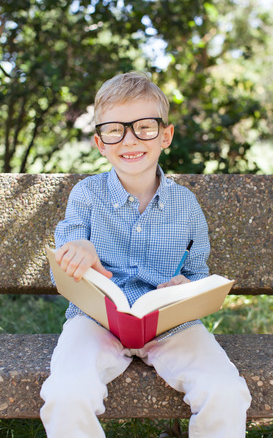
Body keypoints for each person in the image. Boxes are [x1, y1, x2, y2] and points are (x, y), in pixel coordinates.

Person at [40, 72, 251, 437]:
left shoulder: (186, 206)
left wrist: (187, 286)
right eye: (114, 130)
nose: (129, 140)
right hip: (95, 321)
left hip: (170, 323)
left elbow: (198, 273)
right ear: (99, 142)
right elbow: (67, 252)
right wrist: (80, 251)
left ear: (165, 135)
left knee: (226, 392)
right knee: (65, 393)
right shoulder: (86, 195)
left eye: (144, 127)